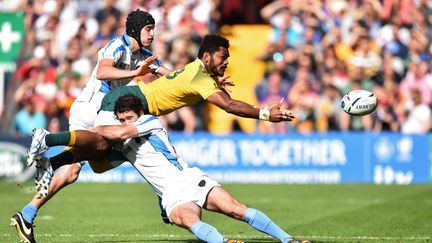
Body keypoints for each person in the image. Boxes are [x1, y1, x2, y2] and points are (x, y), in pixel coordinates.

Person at [27, 34, 295, 198]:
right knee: (101, 141)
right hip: (130, 102)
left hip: (133, 102)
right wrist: (265, 114)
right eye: (222, 57)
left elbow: (178, 80)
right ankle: (48, 139)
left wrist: (215, 80)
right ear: (207, 56)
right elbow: (229, 106)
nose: (226, 62)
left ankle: (53, 162)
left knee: (100, 159)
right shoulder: (201, 77)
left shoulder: (196, 71)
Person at [36, 94, 310, 243]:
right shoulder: (123, 140)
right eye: (121, 119)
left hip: (190, 179)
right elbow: (91, 150)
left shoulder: (149, 122)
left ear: (138, 115)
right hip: (171, 195)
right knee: (189, 221)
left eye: (127, 118)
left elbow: (117, 135)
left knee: (236, 209)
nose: (124, 122)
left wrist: (94, 128)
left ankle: (290, 241)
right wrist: (58, 160)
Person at [11, 9, 171, 243]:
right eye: (148, 29)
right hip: (91, 109)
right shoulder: (116, 46)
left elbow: (171, 76)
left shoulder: (144, 55)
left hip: (103, 111)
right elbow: (103, 71)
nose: (153, 33)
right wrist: (137, 72)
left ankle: (27, 212)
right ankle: (164, 194)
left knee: (74, 170)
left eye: (153, 28)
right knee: (137, 144)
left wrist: (206, 79)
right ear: (136, 29)